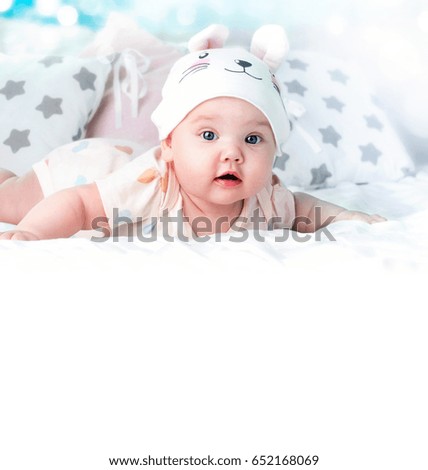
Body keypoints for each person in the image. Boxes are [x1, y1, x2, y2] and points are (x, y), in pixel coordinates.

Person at [0, 47, 385, 241]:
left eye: (253, 138)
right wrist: (32, 233)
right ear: (168, 144)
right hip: (88, 169)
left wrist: (348, 217)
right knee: (12, 200)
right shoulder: (151, 184)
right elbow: (79, 204)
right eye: (208, 135)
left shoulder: (266, 197)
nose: (232, 152)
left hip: (117, 162)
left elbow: (301, 207)